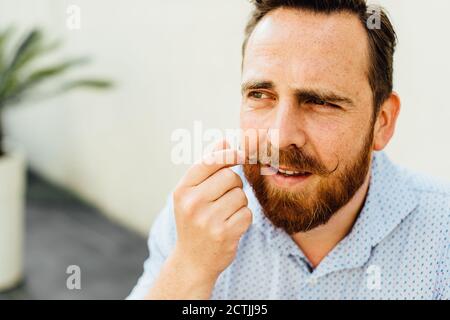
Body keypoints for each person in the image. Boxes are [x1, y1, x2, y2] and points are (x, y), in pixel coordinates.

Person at [128, 0, 449, 299]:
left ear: (382, 121)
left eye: (320, 102)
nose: (280, 137)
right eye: (260, 94)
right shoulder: (197, 218)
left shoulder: (442, 236)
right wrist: (190, 268)